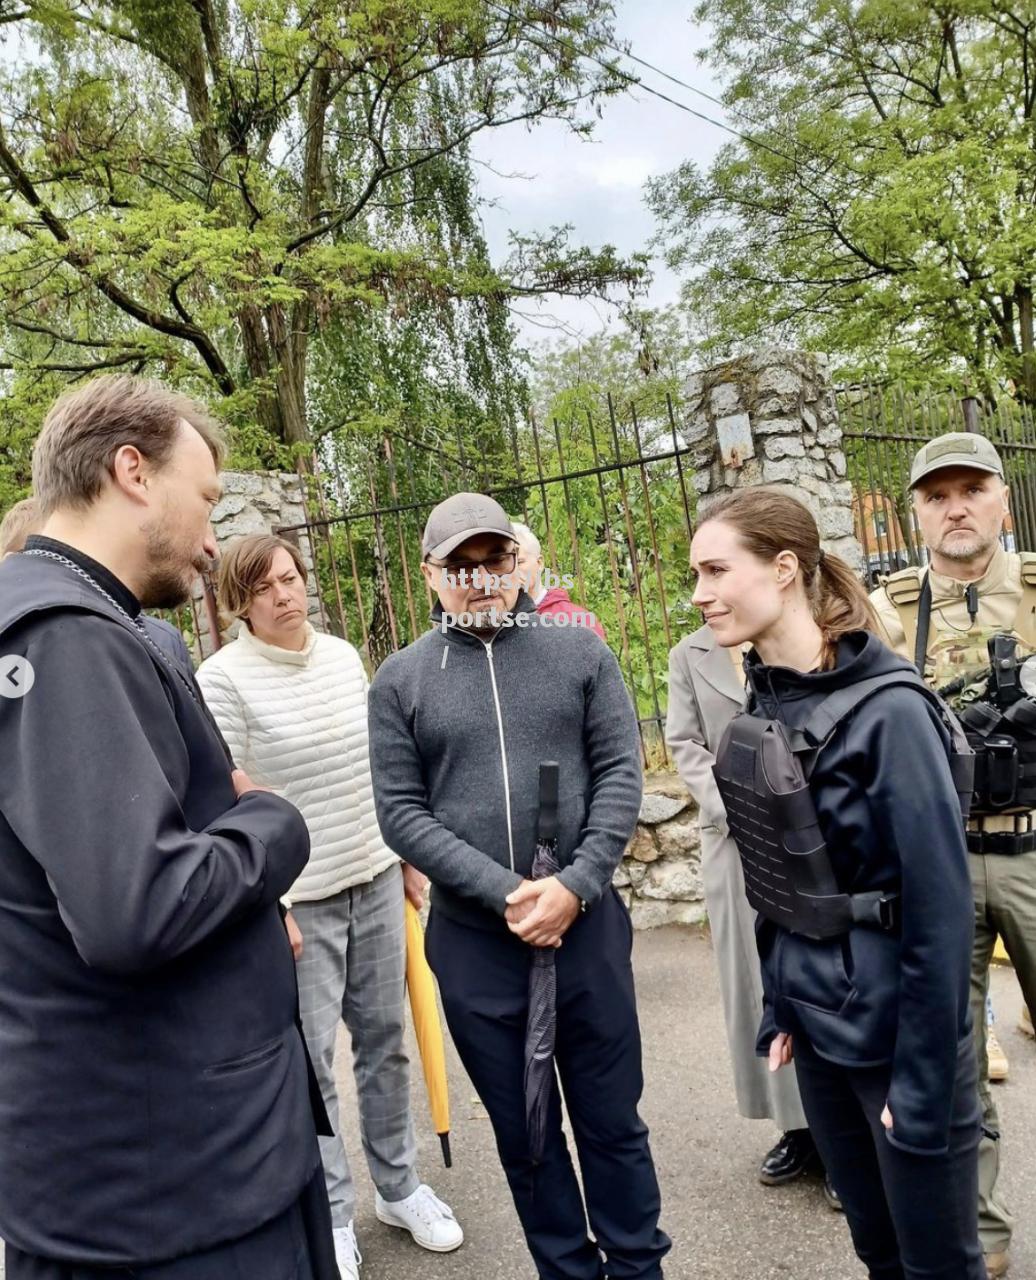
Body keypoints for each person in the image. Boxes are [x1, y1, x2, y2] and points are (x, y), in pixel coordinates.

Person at [0, 375, 337, 1280]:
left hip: (168, 1171)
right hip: (168, 1193)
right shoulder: (61, 638)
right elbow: (134, 908)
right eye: (207, 501)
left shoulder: (86, 624)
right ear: (132, 472)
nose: (213, 537)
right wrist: (272, 826)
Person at [368, 493, 670, 1280]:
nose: (479, 579)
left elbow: (619, 774)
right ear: (430, 575)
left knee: (612, 1124)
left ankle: (638, 1267)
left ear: (516, 562)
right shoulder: (401, 680)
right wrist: (506, 892)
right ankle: (566, 1271)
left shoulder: (579, 651)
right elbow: (401, 813)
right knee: (525, 1136)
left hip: (587, 924)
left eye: (493, 559)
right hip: (477, 945)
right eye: (459, 565)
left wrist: (577, 883)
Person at [691, 487, 983, 1280]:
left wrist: (922, 1087)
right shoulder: (768, 695)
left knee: (937, 1266)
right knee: (877, 1252)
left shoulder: (891, 712)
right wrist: (781, 1004)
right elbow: (782, 871)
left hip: (899, 1038)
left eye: (717, 570)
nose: (700, 593)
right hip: (820, 1029)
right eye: (696, 574)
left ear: (784, 569)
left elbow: (941, 916)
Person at [197, 533, 462, 1280]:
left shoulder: (345, 657)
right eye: (264, 588)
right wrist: (267, 901)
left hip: (375, 876)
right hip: (298, 902)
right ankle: (333, 1212)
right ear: (238, 603)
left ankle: (399, 1186)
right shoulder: (224, 681)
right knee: (313, 1063)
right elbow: (226, 801)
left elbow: (384, 764)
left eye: (291, 578)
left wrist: (406, 855)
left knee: (386, 1042)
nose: (285, 596)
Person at [870, 432, 1036, 1279]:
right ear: (918, 512)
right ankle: (985, 1244)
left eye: (972, 489)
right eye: (937, 495)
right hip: (937, 860)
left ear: (1003, 499)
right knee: (955, 1054)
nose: (956, 507)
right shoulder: (888, 610)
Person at [666, 624, 837, 1202]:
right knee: (755, 984)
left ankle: (841, 1137)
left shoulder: (809, 633)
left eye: (718, 571)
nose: (704, 591)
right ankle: (795, 1129)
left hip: (813, 833)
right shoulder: (688, 654)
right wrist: (732, 806)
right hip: (733, 841)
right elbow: (684, 742)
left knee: (823, 977)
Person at [1, 492, 195, 670]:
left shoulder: (163, 639)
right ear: (9, 561)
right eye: (37, 553)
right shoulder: (14, 635)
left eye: (64, 552)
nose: (58, 565)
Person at [511, 518, 607, 640]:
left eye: (520, 562)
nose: (513, 570)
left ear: (540, 563)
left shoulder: (578, 620)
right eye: (505, 563)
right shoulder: (497, 622)